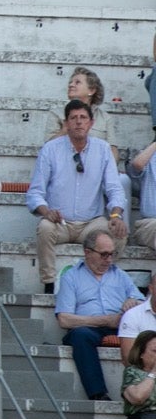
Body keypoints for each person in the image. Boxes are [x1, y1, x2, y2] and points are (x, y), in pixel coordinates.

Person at [29, 97, 127, 295]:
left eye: (83, 117)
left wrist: (116, 215)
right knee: (45, 228)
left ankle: (104, 279)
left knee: (118, 231)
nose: (79, 122)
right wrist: (47, 212)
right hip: (60, 223)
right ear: (66, 124)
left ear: (91, 123)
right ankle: (49, 283)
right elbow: (35, 192)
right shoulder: (51, 149)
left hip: (91, 223)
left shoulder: (103, 150)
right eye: (73, 118)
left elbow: (114, 189)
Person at [55, 225, 143, 401]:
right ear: (87, 252)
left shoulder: (120, 275)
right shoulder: (71, 277)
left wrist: (133, 302)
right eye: (104, 254)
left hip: (120, 325)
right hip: (89, 327)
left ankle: (141, 393)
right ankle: (98, 394)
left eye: (112, 254)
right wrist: (104, 320)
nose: (109, 259)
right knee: (80, 336)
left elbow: (143, 303)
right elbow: (64, 319)